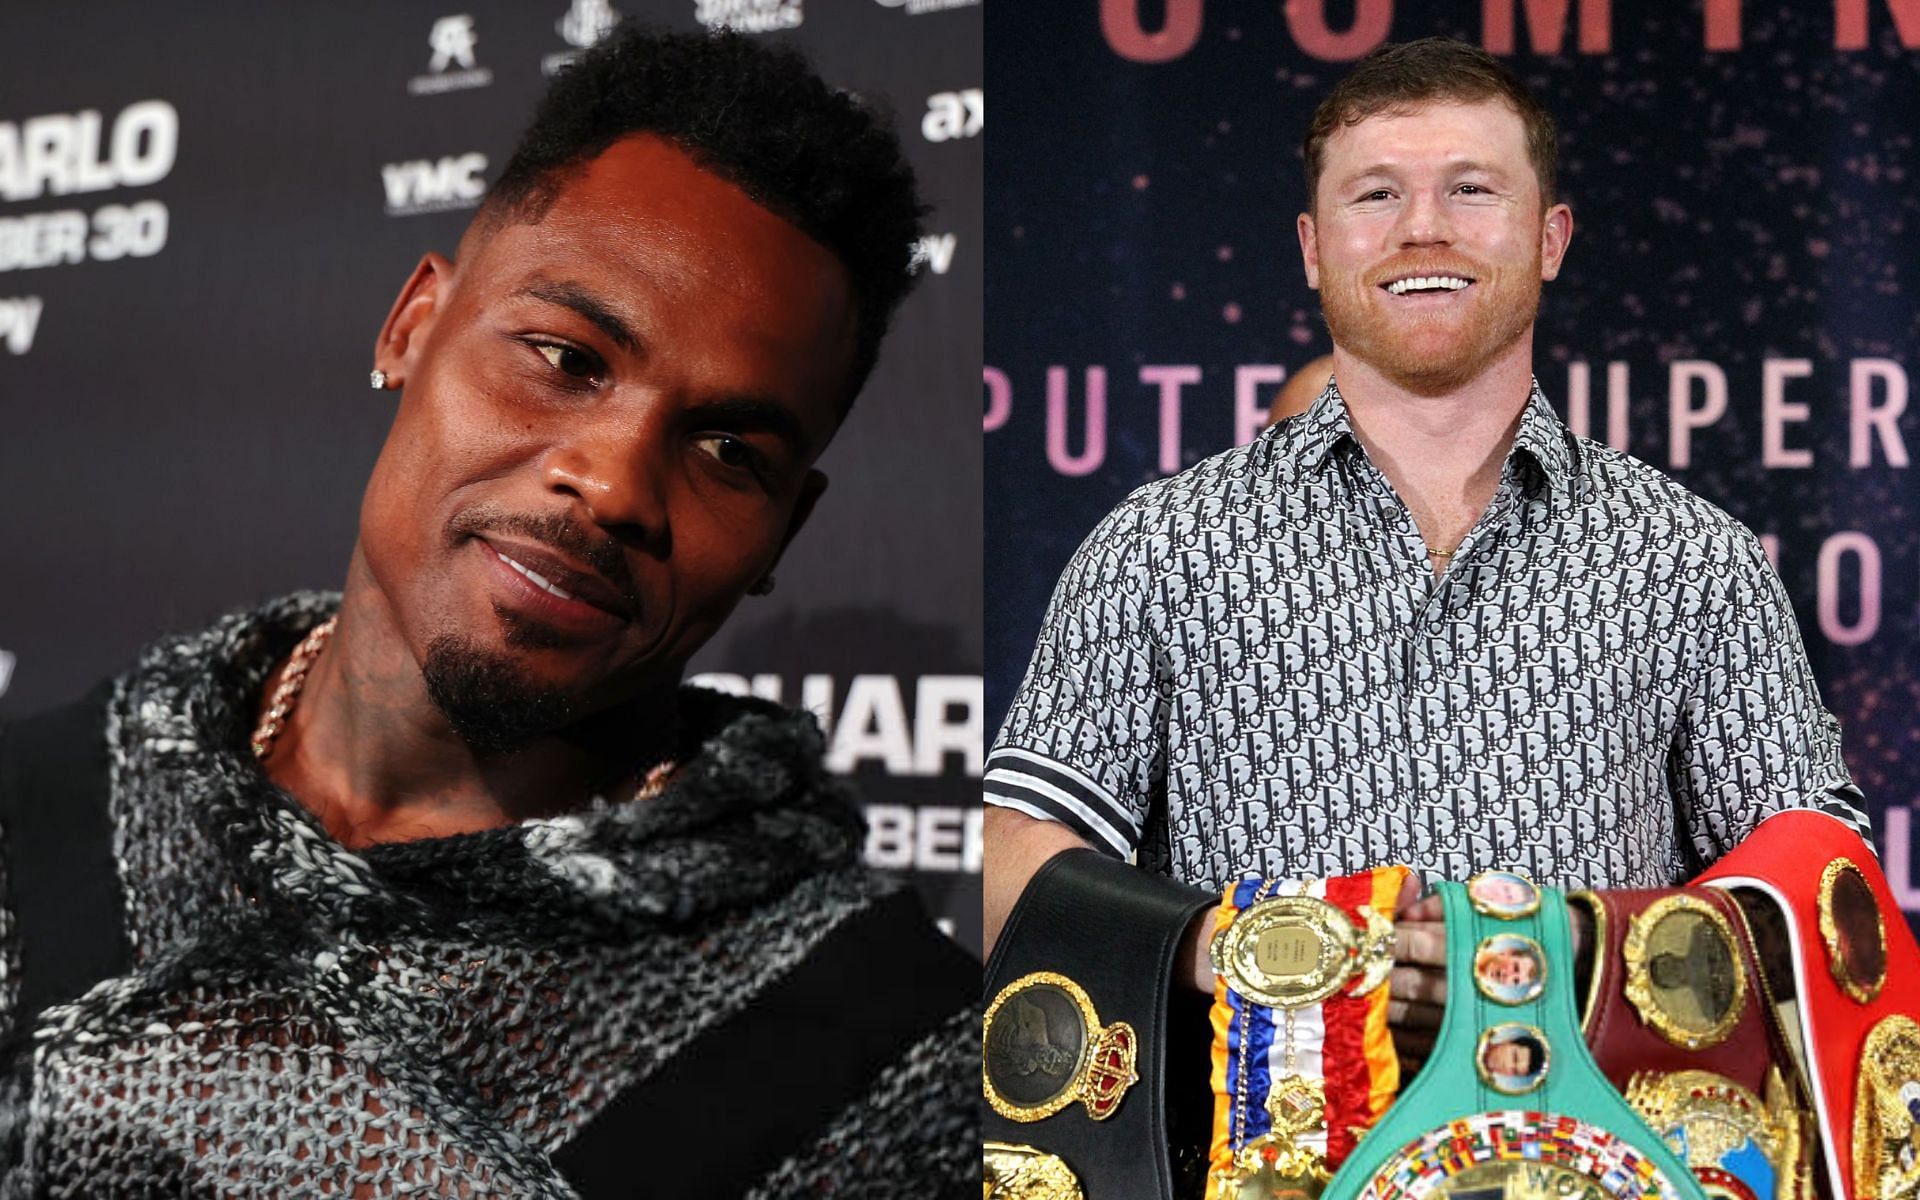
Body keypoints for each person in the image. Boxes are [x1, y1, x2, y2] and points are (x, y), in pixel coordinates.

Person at [0, 26, 974, 1197]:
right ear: (413, 326)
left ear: (786, 528)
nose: (613, 484)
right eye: (566, 358)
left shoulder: (890, 1057)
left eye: (726, 449)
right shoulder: (34, 805)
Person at [983, 37, 1869, 1073]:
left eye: (1471, 189)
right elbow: (1016, 863)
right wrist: (1235, 952)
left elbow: (1822, 893)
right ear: (1314, 248)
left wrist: (1585, 945)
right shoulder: (1158, 548)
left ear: (1550, 236)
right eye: (1376, 196)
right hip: (1256, 1163)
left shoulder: (1692, 558)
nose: (1422, 228)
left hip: (1598, 1159)